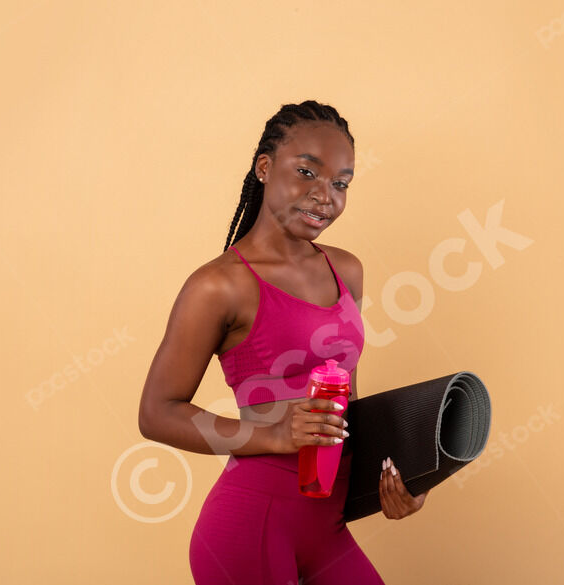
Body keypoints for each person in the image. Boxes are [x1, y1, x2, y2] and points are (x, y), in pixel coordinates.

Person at [138, 100, 428, 585]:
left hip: (328, 525)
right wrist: (274, 435)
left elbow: (347, 408)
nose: (324, 196)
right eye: (307, 172)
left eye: (340, 184)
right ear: (264, 167)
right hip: (252, 525)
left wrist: (397, 481)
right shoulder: (219, 285)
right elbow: (156, 413)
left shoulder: (346, 269)